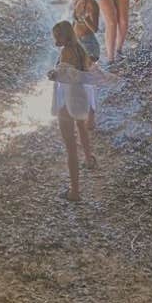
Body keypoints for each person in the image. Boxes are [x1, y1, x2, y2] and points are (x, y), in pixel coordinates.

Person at [48, 21, 105, 201]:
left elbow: (64, 77)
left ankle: (75, 191)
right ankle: (89, 159)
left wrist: (52, 74)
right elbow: (87, 75)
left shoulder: (66, 51)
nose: (56, 39)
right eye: (54, 35)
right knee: (81, 127)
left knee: (70, 146)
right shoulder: (80, 50)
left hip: (67, 101)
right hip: (80, 98)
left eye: (58, 36)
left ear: (66, 35)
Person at [68, 0, 102, 130]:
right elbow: (74, 24)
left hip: (89, 44)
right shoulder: (77, 2)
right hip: (78, 43)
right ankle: (83, 113)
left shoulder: (91, 4)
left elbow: (95, 28)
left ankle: (91, 117)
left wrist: (84, 19)